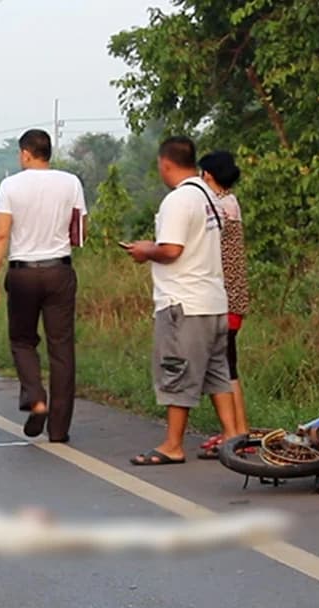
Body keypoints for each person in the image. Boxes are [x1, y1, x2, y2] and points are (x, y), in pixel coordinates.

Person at [124, 136, 241, 465]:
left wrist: (145, 250)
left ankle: (173, 445)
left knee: (177, 370)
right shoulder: (210, 197)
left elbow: (172, 249)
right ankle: (232, 435)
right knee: (217, 373)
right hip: (214, 301)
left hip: (184, 302)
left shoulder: (178, 200)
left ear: (165, 163)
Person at [0, 129, 87, 442]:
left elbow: (1, 234)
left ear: (26, 153)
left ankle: (36, 398)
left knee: (22, 340)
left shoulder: (10, 185)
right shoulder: (71, 182)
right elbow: (79, 232)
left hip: (23, 272)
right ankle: (59, 428)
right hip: (59, 270)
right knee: (62, 347)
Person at [196, 151, 252, 459]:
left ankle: (236, 433)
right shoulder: (231, 202)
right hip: (235, 295)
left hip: (223, 296)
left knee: (224, 368)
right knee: (228, 364)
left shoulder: (217, 206)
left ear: (208, 175)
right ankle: (238, 429)